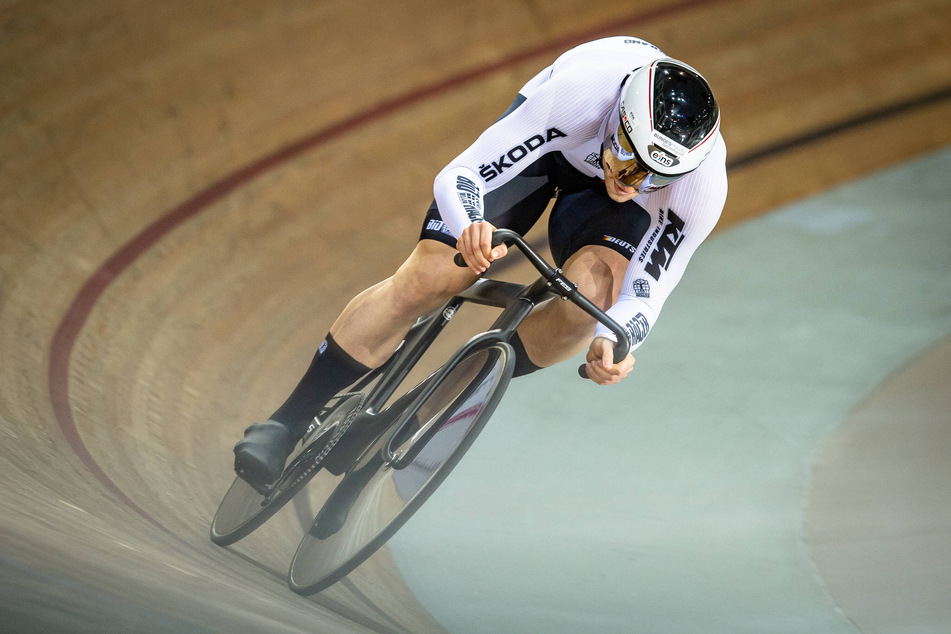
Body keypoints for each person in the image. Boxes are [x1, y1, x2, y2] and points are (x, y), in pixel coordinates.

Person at [234, 36, 728, 485]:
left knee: (587, 312)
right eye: (630, 155)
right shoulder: (580, 94)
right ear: (619, 118)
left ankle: (407, 419)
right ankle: (288, 421)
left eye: (655, 177)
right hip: (550, 150)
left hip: (605, 211)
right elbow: (463, 172)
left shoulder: (699, 188)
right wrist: (470, 223)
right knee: (432, 275)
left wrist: (612, 339)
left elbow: (649, 287)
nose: (634, 180)